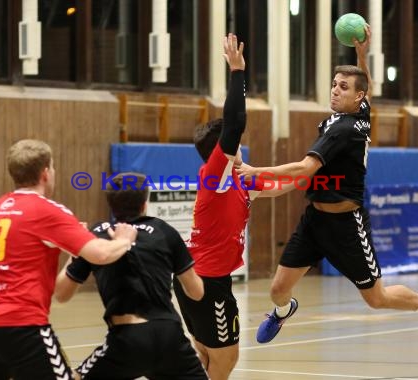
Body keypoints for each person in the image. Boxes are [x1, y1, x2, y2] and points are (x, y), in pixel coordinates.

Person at [237, 25, 418, 349]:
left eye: (343, 87)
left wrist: (256, 170)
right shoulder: (356, 113)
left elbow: (304, 167)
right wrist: (362, 54)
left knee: (377, 299)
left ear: (354, 96)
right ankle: (284, 311)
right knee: (277, 290)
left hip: (346, 226)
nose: (335, 90)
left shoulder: (344, 130)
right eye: (334, 84)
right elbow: (363, 91)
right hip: (314, 221)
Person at [172, 33, 296, 380]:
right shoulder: (216, 174)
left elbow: (282, 186)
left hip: (195, 278)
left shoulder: (239, 182)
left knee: (208, 360)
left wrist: (315, 167)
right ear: (221, 152)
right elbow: (235, 123)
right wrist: (237, 72)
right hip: (208, 283)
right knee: (225, 362)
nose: (239, 145)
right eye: (233, 144)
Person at [0, 139, 138, 380]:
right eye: (53, 167)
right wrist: (124, 239)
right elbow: (101, 253)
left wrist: (71, 244)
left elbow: (29, 249)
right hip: (22, 326)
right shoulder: (47, 210)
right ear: (45, 173)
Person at [54, 172, 208, 380]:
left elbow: (61, 295)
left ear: (111, 206)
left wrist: (76, 248)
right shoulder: (164, 230)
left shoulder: (97, 234)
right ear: (144, 204)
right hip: (169, 334)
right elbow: (197, 293)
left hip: (129, 338)